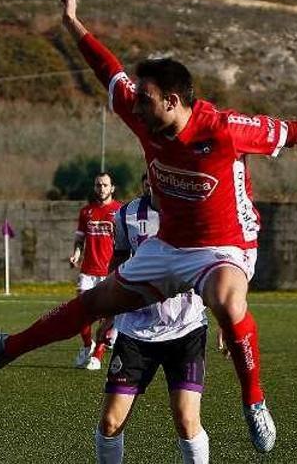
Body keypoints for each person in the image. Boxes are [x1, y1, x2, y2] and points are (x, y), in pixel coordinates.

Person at [0, 0, 297, 454]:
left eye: (146, 99)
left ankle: (254, 401)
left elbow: (295, 131)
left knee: (226, 301)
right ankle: (5, 349)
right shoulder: (144, 116)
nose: (135, 105)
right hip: (169, 247)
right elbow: (106, 70)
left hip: (227, 246)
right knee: (97, 302)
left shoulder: (224, 128)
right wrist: (73, 24)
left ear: (173, 101)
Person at [95, 174, 210, 464]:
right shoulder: (126, 215)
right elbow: (118, 265)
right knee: (110, 423)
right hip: (136, 331)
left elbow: (213, 266)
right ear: (146, 180)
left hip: (187, 328)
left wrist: (226, 317)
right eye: (150, 177)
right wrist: (108, 314)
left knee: (186, 422)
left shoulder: (195, 211)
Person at [69, 172, 122, 370]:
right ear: (94, 187)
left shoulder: (119, 211)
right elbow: (80, 240)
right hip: (88, 270)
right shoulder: (86, 212)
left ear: (112, 188)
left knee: (106, 315)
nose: (101, 188)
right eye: (98, 185)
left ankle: (98, 356)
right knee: (81, 312)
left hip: (109, 272)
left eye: (105, 185)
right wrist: (75, 255)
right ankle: (86, 345)